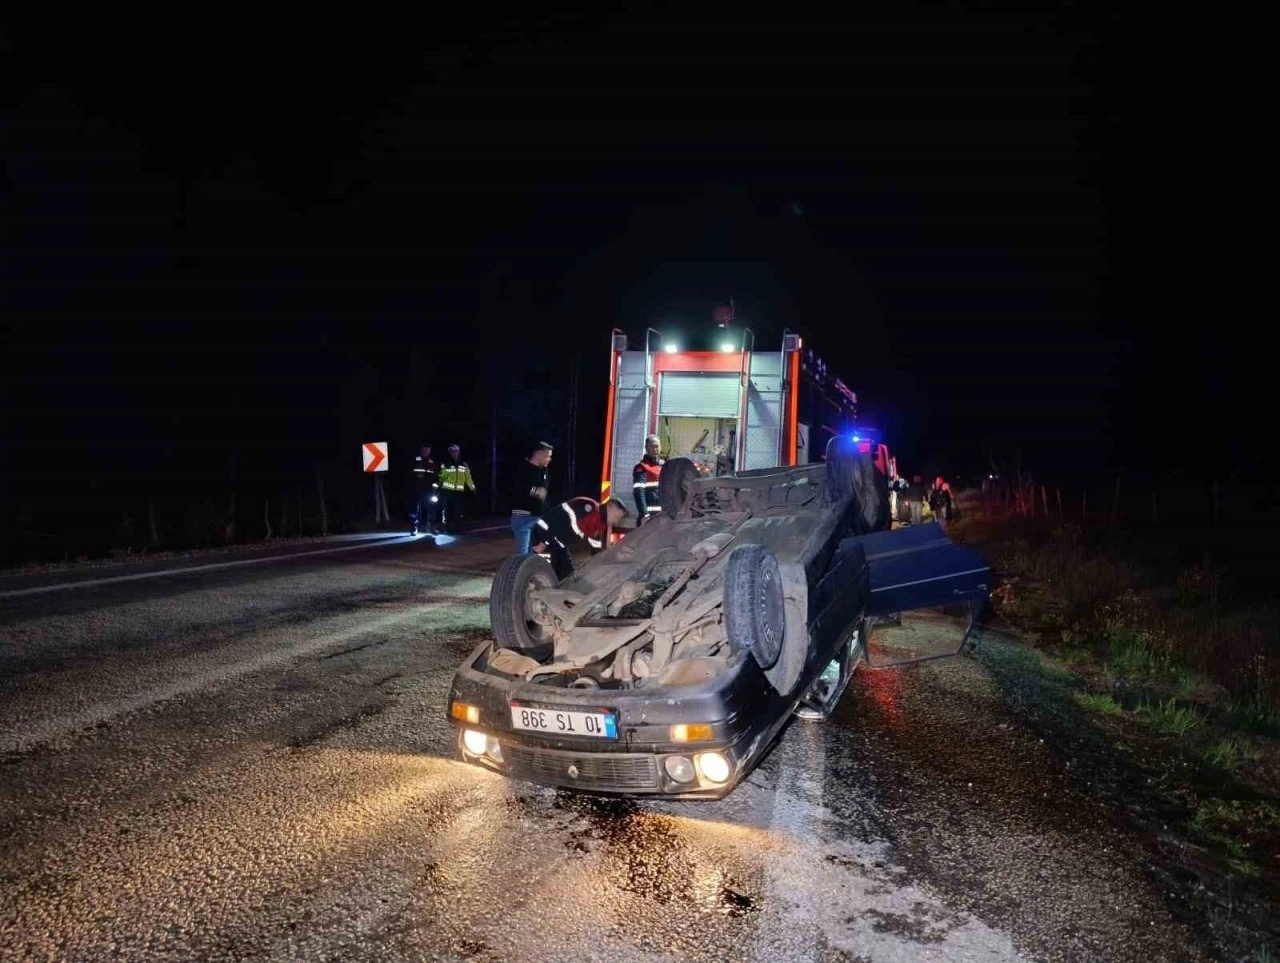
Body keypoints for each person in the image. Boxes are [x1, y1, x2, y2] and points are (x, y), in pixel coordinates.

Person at [532, 497, 629, 580]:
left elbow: (595, 546)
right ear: (610, 506)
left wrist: (606, 559)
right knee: (539, 571)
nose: (616, 522)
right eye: (616, 517)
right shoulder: (589, 507)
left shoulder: (601, 524)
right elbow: (558, 521)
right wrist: (544, 542)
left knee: (568, 575)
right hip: (543, 534)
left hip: (558, 544)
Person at [510, 441, 553, 553]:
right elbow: (517, 488)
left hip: (538, 517)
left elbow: (544, 493)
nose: (549, 459)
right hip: (523, 516)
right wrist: (535, 491)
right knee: (523, 554)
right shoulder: (523, 468)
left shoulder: (544, 471)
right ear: (539, 454)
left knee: (531, 554)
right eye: (547, 456)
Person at [438, 444, 476, 533]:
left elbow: (468, 477)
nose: (453, 453)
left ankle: (457, 528)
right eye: (451, 451)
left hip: (458, 492)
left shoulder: (464, 464)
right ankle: (446, 527)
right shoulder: (446, 463)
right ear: (449, 452)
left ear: (458, 452)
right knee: (446, 510)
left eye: (455, 451)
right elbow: (441, 476)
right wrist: (438, 485)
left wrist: (472, 487)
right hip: (447, 491)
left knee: (457, 511)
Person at [632, 434, 664, 524]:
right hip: (649, 518)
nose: (655, 449)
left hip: (663, 517)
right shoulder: (642, 468)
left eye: (657, 446)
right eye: (652, 446)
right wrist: (644, 514)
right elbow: (639, 492)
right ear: (646, 448)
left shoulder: (663, 466)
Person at [409, 445, 440, 535]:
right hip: (416, 489)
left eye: (427, 449)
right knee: (415, 510)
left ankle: (431, 527)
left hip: (429, 490)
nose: (426, 451)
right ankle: (414, 527)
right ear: (421, 450)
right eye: (424, 449)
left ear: (430, 450)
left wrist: (436, 484)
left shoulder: (432, 461)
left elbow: (436, 475)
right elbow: (409, 474)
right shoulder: (415, 460)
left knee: (431, 509)